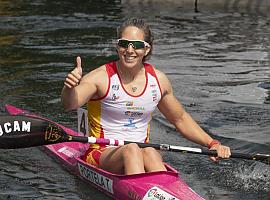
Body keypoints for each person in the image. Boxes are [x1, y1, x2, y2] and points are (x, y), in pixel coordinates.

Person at [61, 18, 231, 175]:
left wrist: (212, 143)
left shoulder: (158, 80)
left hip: (142, 151)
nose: (129, 50)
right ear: (117, 46)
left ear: (146, 49)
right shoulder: (100, 77)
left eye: (136, 45)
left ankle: (161, 188)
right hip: (102, 153)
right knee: (132, 149)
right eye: (124, 44)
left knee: (150, 151)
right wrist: (70, 87)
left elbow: (180, 119)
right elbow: (71, 103)